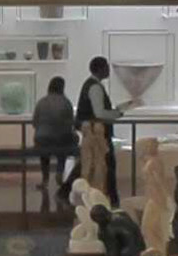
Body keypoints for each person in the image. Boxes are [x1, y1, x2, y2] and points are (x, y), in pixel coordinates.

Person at [27, 73, 77, 212]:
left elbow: (35, 122)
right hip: (61, 138)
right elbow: (70, 124)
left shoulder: (42, 102)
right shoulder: (65, 102)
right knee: (66, 145)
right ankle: (60, 172)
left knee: (44, 153)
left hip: (42, 138)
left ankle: (45, 179)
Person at [74, 54, 118, 204]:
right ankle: (105, 201)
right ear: (100, 69)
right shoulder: (95, 87)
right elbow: (99, 113)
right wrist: (116, 113)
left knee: (94, 167)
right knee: (101, 167)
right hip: (96, 134)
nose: (108, 70)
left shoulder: (92, 85)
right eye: (106, 66)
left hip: (92, 132)